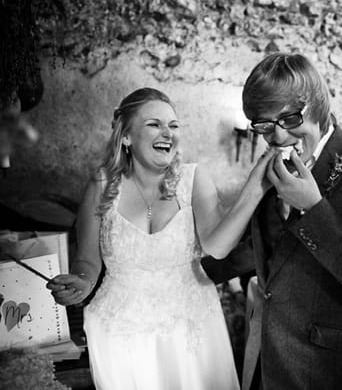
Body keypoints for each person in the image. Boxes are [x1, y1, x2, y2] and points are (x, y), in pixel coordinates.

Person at [46, 87, 276, 390]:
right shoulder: (101, 185)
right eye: (154, 124)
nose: (168, 133)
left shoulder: (195, 180)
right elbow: (87, 261)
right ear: (126, 136)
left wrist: (255, 188)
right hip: (121, 334)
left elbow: (218, 249)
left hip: (193, 330)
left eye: (174, 125)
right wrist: (80, 282)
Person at [204, 53, 342, 390]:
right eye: (265, 125)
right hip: (262, 360)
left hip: (321, 366)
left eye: (290, 118)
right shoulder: (271, 168)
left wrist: (314, 209)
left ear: (317, 105)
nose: (279, 136)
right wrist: (195, 270)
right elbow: (266, 251)